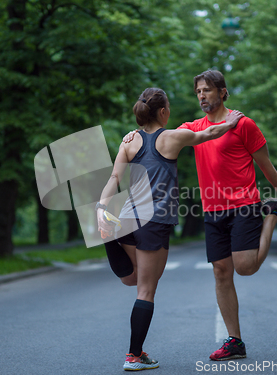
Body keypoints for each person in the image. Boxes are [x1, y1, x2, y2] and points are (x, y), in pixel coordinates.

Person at [123, 70, 277, 361]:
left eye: (208, 90)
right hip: (213, 209)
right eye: (198, 91)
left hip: (244, 204)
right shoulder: (192, 127)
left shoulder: (244, 124)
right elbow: (157, 136)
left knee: (245, 267)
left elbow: (265, 163)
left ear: (223, 92)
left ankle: (271, 216)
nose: (202, 95)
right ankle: (235, 341)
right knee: (221, 272)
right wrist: (134, 135)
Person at [95, 87, 243, 371]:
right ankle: (134, 356)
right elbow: (209, 134)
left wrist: (102, 208)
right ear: (163, 112)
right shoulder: (172, 137)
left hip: (127, 219)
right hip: (154, 221)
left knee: (132, 280)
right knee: (146, 290)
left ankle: (109, 239)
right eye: (169, 107)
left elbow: (114, 177)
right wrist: (232, 120)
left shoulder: (129, 140)